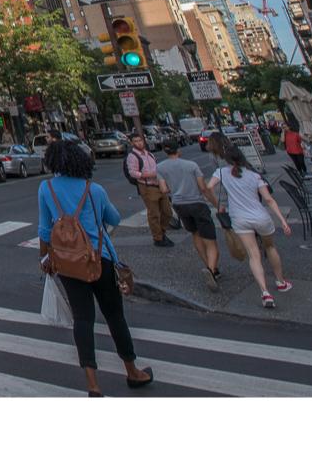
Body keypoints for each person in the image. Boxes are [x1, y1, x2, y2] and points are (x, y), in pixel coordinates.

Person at [38, 138, 154, 397]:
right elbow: (113, 218)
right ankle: (132, 370)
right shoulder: (94, 190)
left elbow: (44, 230)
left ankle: (93, 384)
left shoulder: (46, 189)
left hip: (68, 263)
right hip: (99, 258)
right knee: (115, 316)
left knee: (82, 319)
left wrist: (44, 258)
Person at [208, 145, 292, 308]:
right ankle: (280, 282)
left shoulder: (221, 173)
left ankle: (265, 292)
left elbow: (209, 187)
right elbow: (268, 200)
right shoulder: (254, 176)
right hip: (260, 217)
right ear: (242, 158)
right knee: (270, 247)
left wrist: (217, 204)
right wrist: (282, 220)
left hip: (239, 218)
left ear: (227, 160)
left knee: (253, 255)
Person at [157, 140, 222, 291]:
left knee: (195, 233)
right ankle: (212, 270)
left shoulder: (159, 167)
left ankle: (208, 265)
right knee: (210, 240)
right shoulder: (191, 165)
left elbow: (163, 189)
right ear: (178, 150)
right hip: (197, 203)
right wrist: (216, 204)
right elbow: (203, 187)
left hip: (179, 205)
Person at [124, 131, 175, 247]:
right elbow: (132, 172)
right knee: (154, 213)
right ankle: (158, 237)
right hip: (147, 186)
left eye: (140, 140)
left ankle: (162, 232)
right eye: (136, 141)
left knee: (167, 211)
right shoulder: (132, 156)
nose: (139, 143)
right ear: (132, 143)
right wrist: (148, 175)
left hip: (158, 184)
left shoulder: (149, 154)